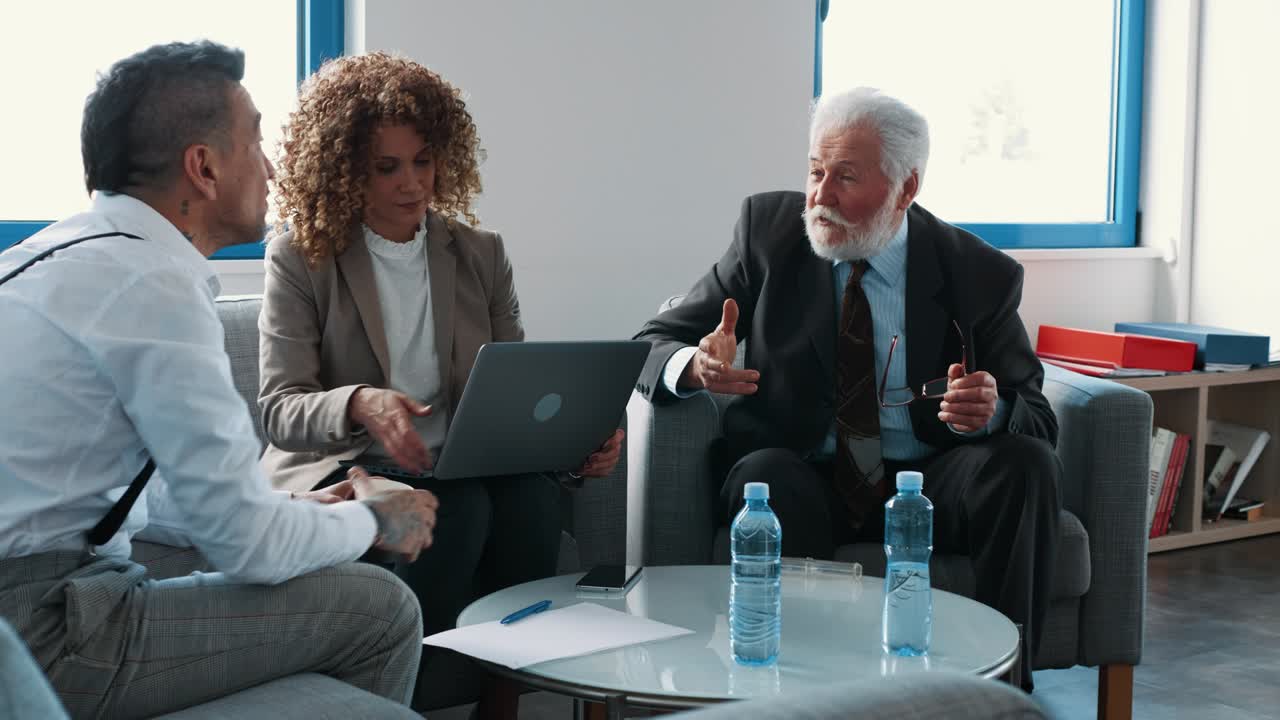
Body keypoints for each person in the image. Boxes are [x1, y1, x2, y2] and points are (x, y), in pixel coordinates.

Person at [0, 42, 439, 718]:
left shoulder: (47, 258)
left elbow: (115, 493)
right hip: (42, 632)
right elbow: (248, 546)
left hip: (33, 603)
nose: (271, 168)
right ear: (203, 168)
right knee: (380, 608)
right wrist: (372, 517)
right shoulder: (154, 282)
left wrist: (289, 510)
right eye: (255, 141)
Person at [633, 87, 1061, 690]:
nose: (821, 195)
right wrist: (694, 367)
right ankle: (791, 695)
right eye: (815, 171)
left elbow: (1038, 416)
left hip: (927, 483)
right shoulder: (769, 234)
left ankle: (1003, 692)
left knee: (1025, 466)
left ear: (905, 189)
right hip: (802, 475)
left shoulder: (976, 272)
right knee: (768, 478)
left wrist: (990, 409)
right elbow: (652, 342)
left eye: (846, 177)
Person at [259, 52, 623, 642]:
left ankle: (509, 683)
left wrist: (574, 447)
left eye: (423, 160)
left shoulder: (482, 253)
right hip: (353, 465)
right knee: (460, 507)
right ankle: (414, 676)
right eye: (387, 167)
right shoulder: (301, 258)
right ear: (345, 169)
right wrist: (360, 402)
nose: (412, 182)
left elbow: (516, 393)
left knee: (533, 498)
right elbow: (280, 409)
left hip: (460, 464)